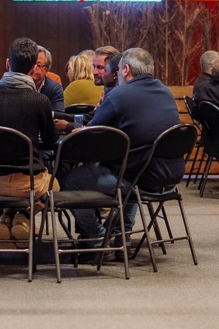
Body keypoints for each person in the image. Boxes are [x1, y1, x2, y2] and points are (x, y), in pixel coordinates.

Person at [74, 47, 183, 238]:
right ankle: (120, 234)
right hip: (171, 177)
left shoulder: (119, 95)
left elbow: (90, 134)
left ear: (125, 70)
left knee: (71, 181)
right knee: (131, 164)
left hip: (141, 179)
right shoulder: (165, 92)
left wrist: (77, 130)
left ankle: (96, 236)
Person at [0, 37, 59, 246]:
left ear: (7, 63)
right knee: (56, 185)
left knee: (14, 190)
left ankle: (6, 218)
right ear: (32, 68)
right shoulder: (40, 100)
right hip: (29, 183)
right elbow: (51, 139)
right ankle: (24, 218)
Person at [33, 45, 65, 111]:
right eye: (31, 64)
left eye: (38, 65)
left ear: (47, 69)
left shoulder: (55, 88)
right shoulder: (20, 84)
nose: (33, 68)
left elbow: (59, 114)